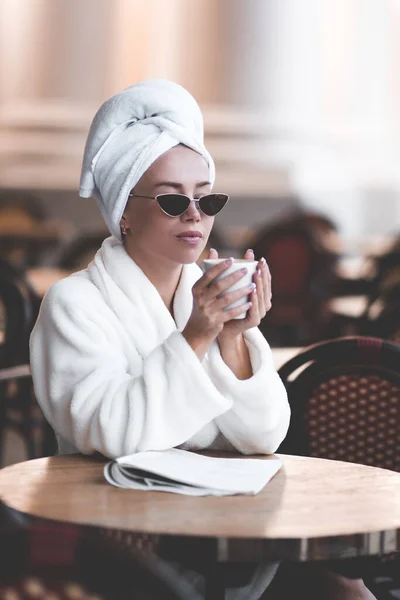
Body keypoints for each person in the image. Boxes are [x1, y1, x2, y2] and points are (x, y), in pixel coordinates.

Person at [30, 79, 376, 600]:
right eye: (172, 201)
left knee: (344, 584)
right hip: (126, 538)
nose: (196, 215)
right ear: (124, 209)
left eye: (206, 198)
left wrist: (235, 339)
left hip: (229, 520)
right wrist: (195, 336)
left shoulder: (210, 294)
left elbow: (263, 437)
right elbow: (114, 433)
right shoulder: (74, 304)